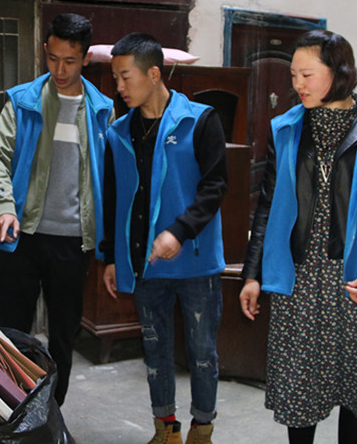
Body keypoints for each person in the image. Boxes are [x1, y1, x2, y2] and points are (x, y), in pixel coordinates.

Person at [239, 30, 357, 444]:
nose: (297, 84)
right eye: (293, 75)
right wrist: (252, 274)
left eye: (307, 75)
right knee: (299, 393)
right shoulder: (286, 129)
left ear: (339, 73)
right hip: (299, 285)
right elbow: (267, 206)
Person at [101, 33, 228, 444]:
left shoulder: (200, 120)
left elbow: (214, 187)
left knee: (202, 351)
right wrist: (110, 255)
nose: (119, 87)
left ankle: (202, 429)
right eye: (116, 78)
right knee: (155, 351)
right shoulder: (118, 132)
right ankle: (166, 429)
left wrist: (179, 230)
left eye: (126, 77)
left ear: (153, 74)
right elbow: (112, 197)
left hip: (195, 261)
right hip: (146, 263)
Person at [0, 12, 114, 406]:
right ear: (45, 50)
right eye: (53, 58)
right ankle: (9, 411)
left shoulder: (101, 110)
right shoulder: (23, 101)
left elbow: (111, 177)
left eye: (70, 61)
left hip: (73, 242)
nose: (60, 70)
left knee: (63, 335)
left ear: (86, 58)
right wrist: (4, 207)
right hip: (22, 236)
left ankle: (51, 414)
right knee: (11, 332)